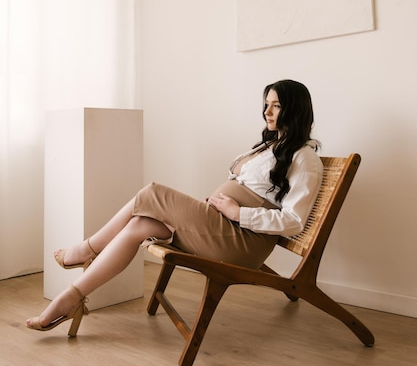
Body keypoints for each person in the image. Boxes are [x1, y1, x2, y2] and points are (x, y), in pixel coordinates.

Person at [26, 79, 323, 336]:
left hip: (241, 243)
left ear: (294, 110)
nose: (267, 112)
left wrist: (236, 211)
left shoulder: (304, 157)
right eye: (266, 104)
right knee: (138, 226)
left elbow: (294, 221)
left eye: (276, 106)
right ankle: (71, 298)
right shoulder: (272, 146)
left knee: (152, 192)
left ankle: (86, 250)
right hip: (223, 230)